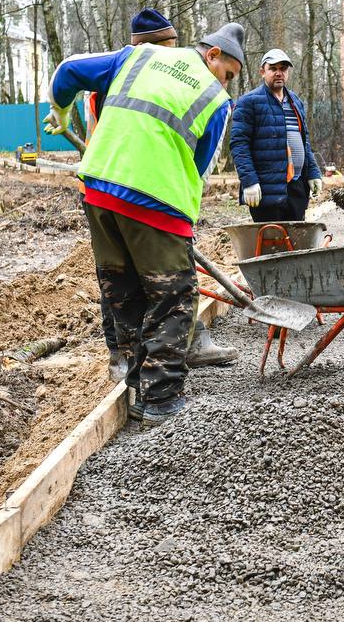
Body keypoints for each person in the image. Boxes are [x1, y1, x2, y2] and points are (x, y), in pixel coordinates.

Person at [45, 23, 246, 424]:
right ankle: (162, 399)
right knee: (173, 298)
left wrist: (60, 109)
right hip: (157, 202)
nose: (228, 85)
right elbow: (199, 169)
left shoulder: (138, 56)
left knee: (124, 292)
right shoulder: (215, 100)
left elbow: (68, 71)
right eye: (229, 75)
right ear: (212, 55)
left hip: (100, 192)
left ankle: (137, 388)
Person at [230, 48, 324, 222]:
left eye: (283, 69)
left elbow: (305, 142)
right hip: (267, 190)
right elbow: (239, 144)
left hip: (296, 188)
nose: (279, 73)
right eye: (273, 68)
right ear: (262, 72)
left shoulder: (295, 101)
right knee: (271, 245)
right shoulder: (249, 102)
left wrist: (313, 172)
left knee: (297, 244)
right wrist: (249, 181)